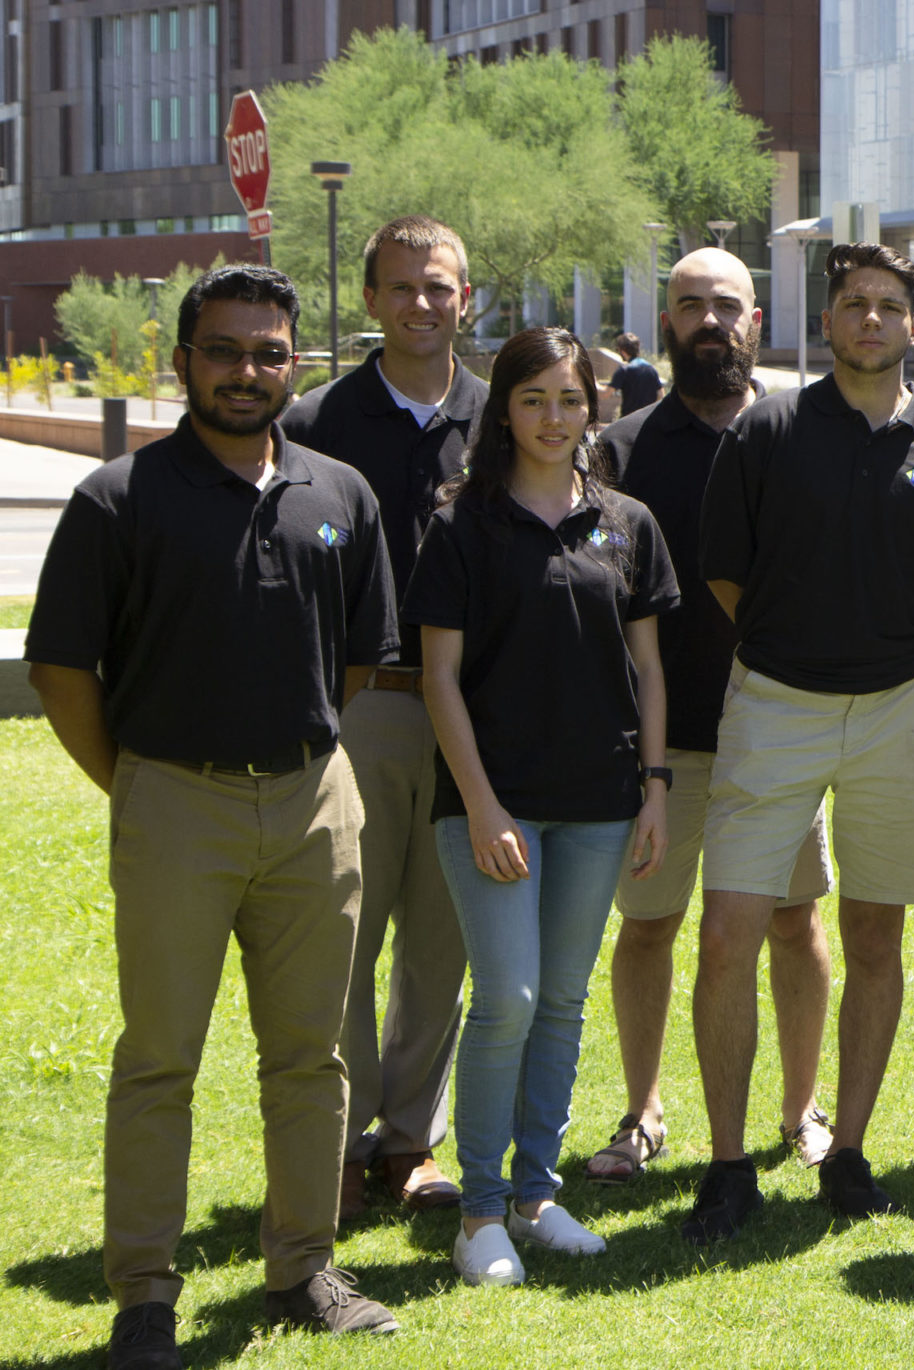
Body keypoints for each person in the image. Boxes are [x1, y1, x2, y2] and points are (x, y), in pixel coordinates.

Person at [29, 264, 403, 1367]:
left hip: (311, 800)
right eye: (227, 350)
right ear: (185, 360)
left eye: (269, 351)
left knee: (313, 1055)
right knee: (160, 1059)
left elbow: (356, 658)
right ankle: (146, 1294)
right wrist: (138, 785)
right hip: (172, 799)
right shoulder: (120, 498)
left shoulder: (342, 495)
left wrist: (301, 766)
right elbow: (62, 669)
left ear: (296, 360)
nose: (249, 370)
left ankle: (301, 1268)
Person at [686, 243, 914, 1241]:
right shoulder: (768, 430)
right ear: (828, 322)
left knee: (875, 932)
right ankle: (728, 1164)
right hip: (773, 704)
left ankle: (848, 1149)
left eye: (890, 305)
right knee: (730, 930)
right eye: (854, 303)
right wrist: (793, 648)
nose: (872, 318)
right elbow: (725, 572)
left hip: (901, 708)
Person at [408, 326, 678, 1284]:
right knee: (509, 997)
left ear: (592, 409)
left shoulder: (627, 522)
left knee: (560, 1000)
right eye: (533, 400)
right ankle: (478, 1212)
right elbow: (439, 679)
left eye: (570, 400)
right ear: (504, 411)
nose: (553, 418)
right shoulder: (461, 524)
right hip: (494, 803)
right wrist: (480, 806)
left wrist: (653, 791)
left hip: (601, 800)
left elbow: (648, 666)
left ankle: (535, 1195)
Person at [587, 249, 839, 1186]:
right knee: (649, 925)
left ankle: (800, 1108)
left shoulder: (801, 431)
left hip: (781, 727)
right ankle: (643, 1113)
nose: (707, 321)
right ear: (666, 327)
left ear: (757, 323)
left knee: (793, 920)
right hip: (660, 740)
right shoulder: (621, 449)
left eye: (724, 306)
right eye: (688, 305)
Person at [281, 214, 485, 1218]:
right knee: (344, 931)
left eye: (437, 285)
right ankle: (339, 1134)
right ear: (369, 299)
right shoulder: (317, 422)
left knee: (440, 937)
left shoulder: (505, 415)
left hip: (474, 720)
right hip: (361, 707)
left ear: (466, 298)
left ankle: (410, 1141)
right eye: (401, 286)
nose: (420, 303)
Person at [609, 331, 663, 414]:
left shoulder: (624, 370)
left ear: (622, 351)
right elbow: (660, 394)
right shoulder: (651, 369)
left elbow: (606, 393)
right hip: (648, 419)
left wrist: (594, 384)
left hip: (629, 419)